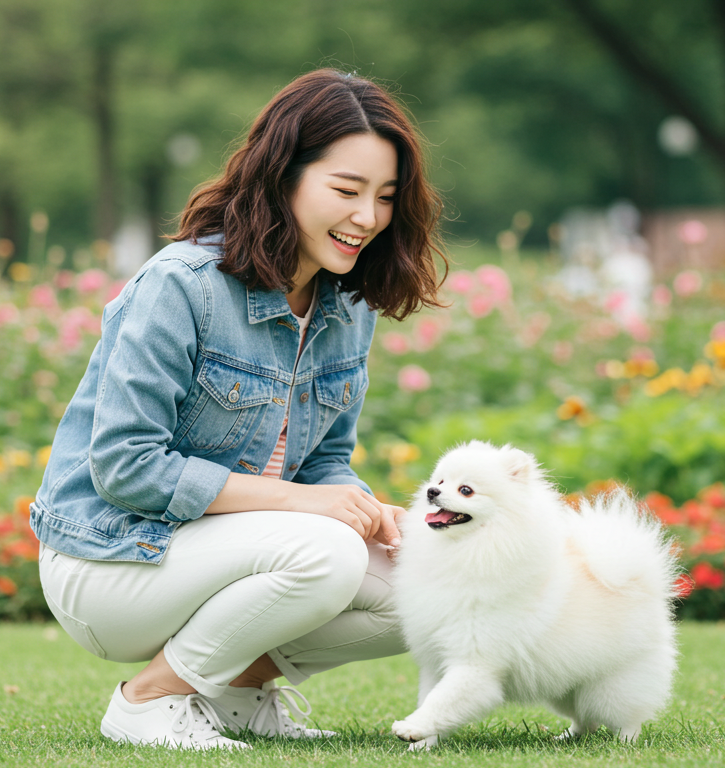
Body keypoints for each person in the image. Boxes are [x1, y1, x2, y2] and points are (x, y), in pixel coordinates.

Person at [30, 69, 446, 750]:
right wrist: (304, 507)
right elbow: (125, 468)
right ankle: (148, 702)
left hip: (229, 553)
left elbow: (327, 462)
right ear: (283, 177)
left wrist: (371, 513)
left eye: (385, 197)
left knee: (432, 583)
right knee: (329, 553)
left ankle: (234, 693)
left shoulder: (346, 307)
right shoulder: (182, 285)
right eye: (346, 190)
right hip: (110, 560)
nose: (367, 217)